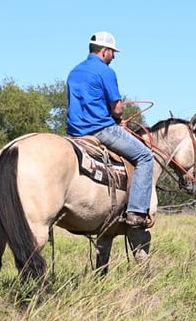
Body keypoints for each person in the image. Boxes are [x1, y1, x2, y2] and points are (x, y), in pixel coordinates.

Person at [66, 31, 154, 229]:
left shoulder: (75, 71)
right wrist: (119, 119)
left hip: (74, 132)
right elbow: (116, 107)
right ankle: (136, 212)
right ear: (105, 51)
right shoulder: (105, 72)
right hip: (100, 130)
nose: (113, 57)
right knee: (145, 157)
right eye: (113, 52)